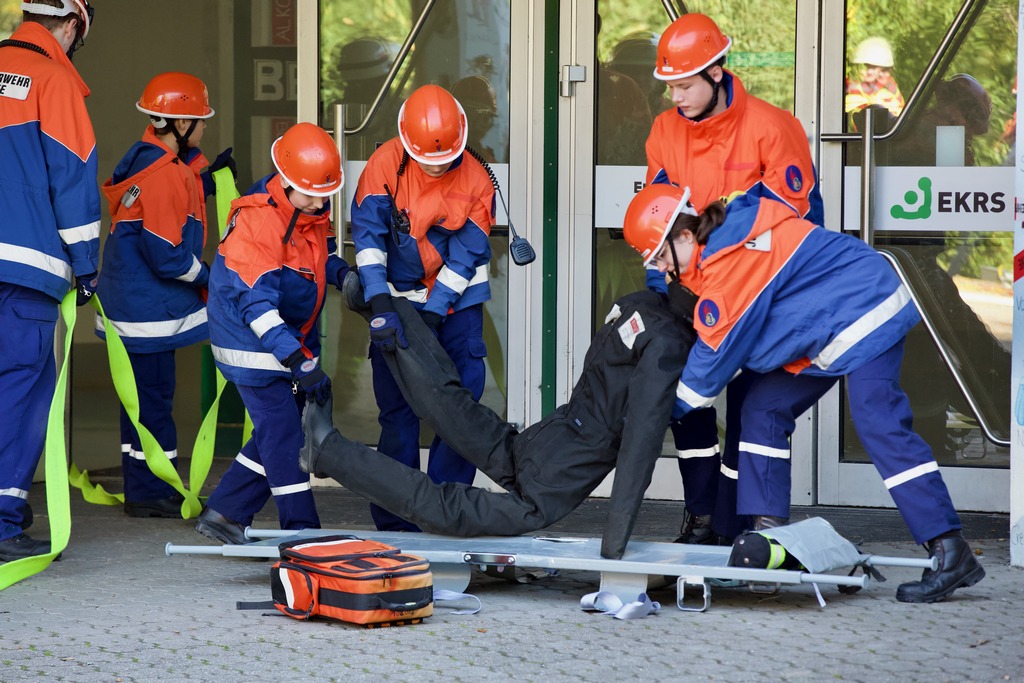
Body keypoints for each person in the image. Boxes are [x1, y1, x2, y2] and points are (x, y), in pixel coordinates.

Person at [623, 182, 986, 603]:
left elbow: (708, 370)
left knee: (877, 421)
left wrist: (649, 416)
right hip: (823, 329)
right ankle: (769, 537)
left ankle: (948, 547)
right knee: (763, 407)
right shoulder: (719, 245)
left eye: (663, 257)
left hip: (865, 308)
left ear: (685, 235)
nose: (665, 270)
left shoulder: (729, 261)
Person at [301, 283, 696, 560]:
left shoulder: (639, 304)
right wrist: (613, 550)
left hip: (547, 437)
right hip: (557, 478)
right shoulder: (669, 344)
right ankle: (329, 451)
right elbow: (639, 448)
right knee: (442, 506)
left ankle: (382, 307)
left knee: (451, 402)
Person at [644, 13, 824, 545]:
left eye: (685, 84)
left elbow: (795, 219)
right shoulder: (663, 131)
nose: (675, 95)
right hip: (692, 287)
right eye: (669, 84)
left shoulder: (773, 127)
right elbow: (662, 211)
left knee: (749, 407)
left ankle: (734, 522)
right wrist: (665, 276)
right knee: (688, 400)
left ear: (718, 71)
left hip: (762, 296)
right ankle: (700, 515)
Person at [195, 122, 350, 545]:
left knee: (275, 432)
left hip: (287, 340)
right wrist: (297, 360)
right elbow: (256, 308)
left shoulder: (311, 205)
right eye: (312, 195)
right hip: (250, 345)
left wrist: (345, 276)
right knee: (284, 434)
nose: (320, 204)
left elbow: (320, 256)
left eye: (326, 195)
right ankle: (302, 532)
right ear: (284, 182)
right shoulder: (258, 224)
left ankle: (225, 511)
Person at [351, 84, 495, 532]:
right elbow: (369, 240)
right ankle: (397, 519)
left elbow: (466, 256)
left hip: (455, 306)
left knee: (460, 407)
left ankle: (447, 513)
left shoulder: (475, 178)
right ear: (407, 145)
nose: (438, 167)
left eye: (445, 159)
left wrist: (434, 312)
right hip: (395, 300)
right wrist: (379, 303)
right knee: (397, 412)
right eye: (428, 161)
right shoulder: (383, 167)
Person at [94, 72, 236, 518]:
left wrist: (206, 180)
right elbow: (167, 256)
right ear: (179, 124)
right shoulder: (163, 174)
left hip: (131, 303)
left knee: (142, 401)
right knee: (153, 399)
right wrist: (211, 277)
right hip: (147, 310)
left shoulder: (148, 162)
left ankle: (150, 485)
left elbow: (166, 205)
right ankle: (149, 492)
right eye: (200, 120)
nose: (205, 127)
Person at [0, 0, 98, 561]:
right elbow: (74, 180)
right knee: (20, 388)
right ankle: (3, 518)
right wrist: (86, 266)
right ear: (71, 25)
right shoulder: (54, 78)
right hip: (25, 267)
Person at [845, 36, 905, 120]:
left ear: (883, 69)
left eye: (873, 67)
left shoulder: (889, 93)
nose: (869, 71)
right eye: (864, 66)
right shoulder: (849, 86)